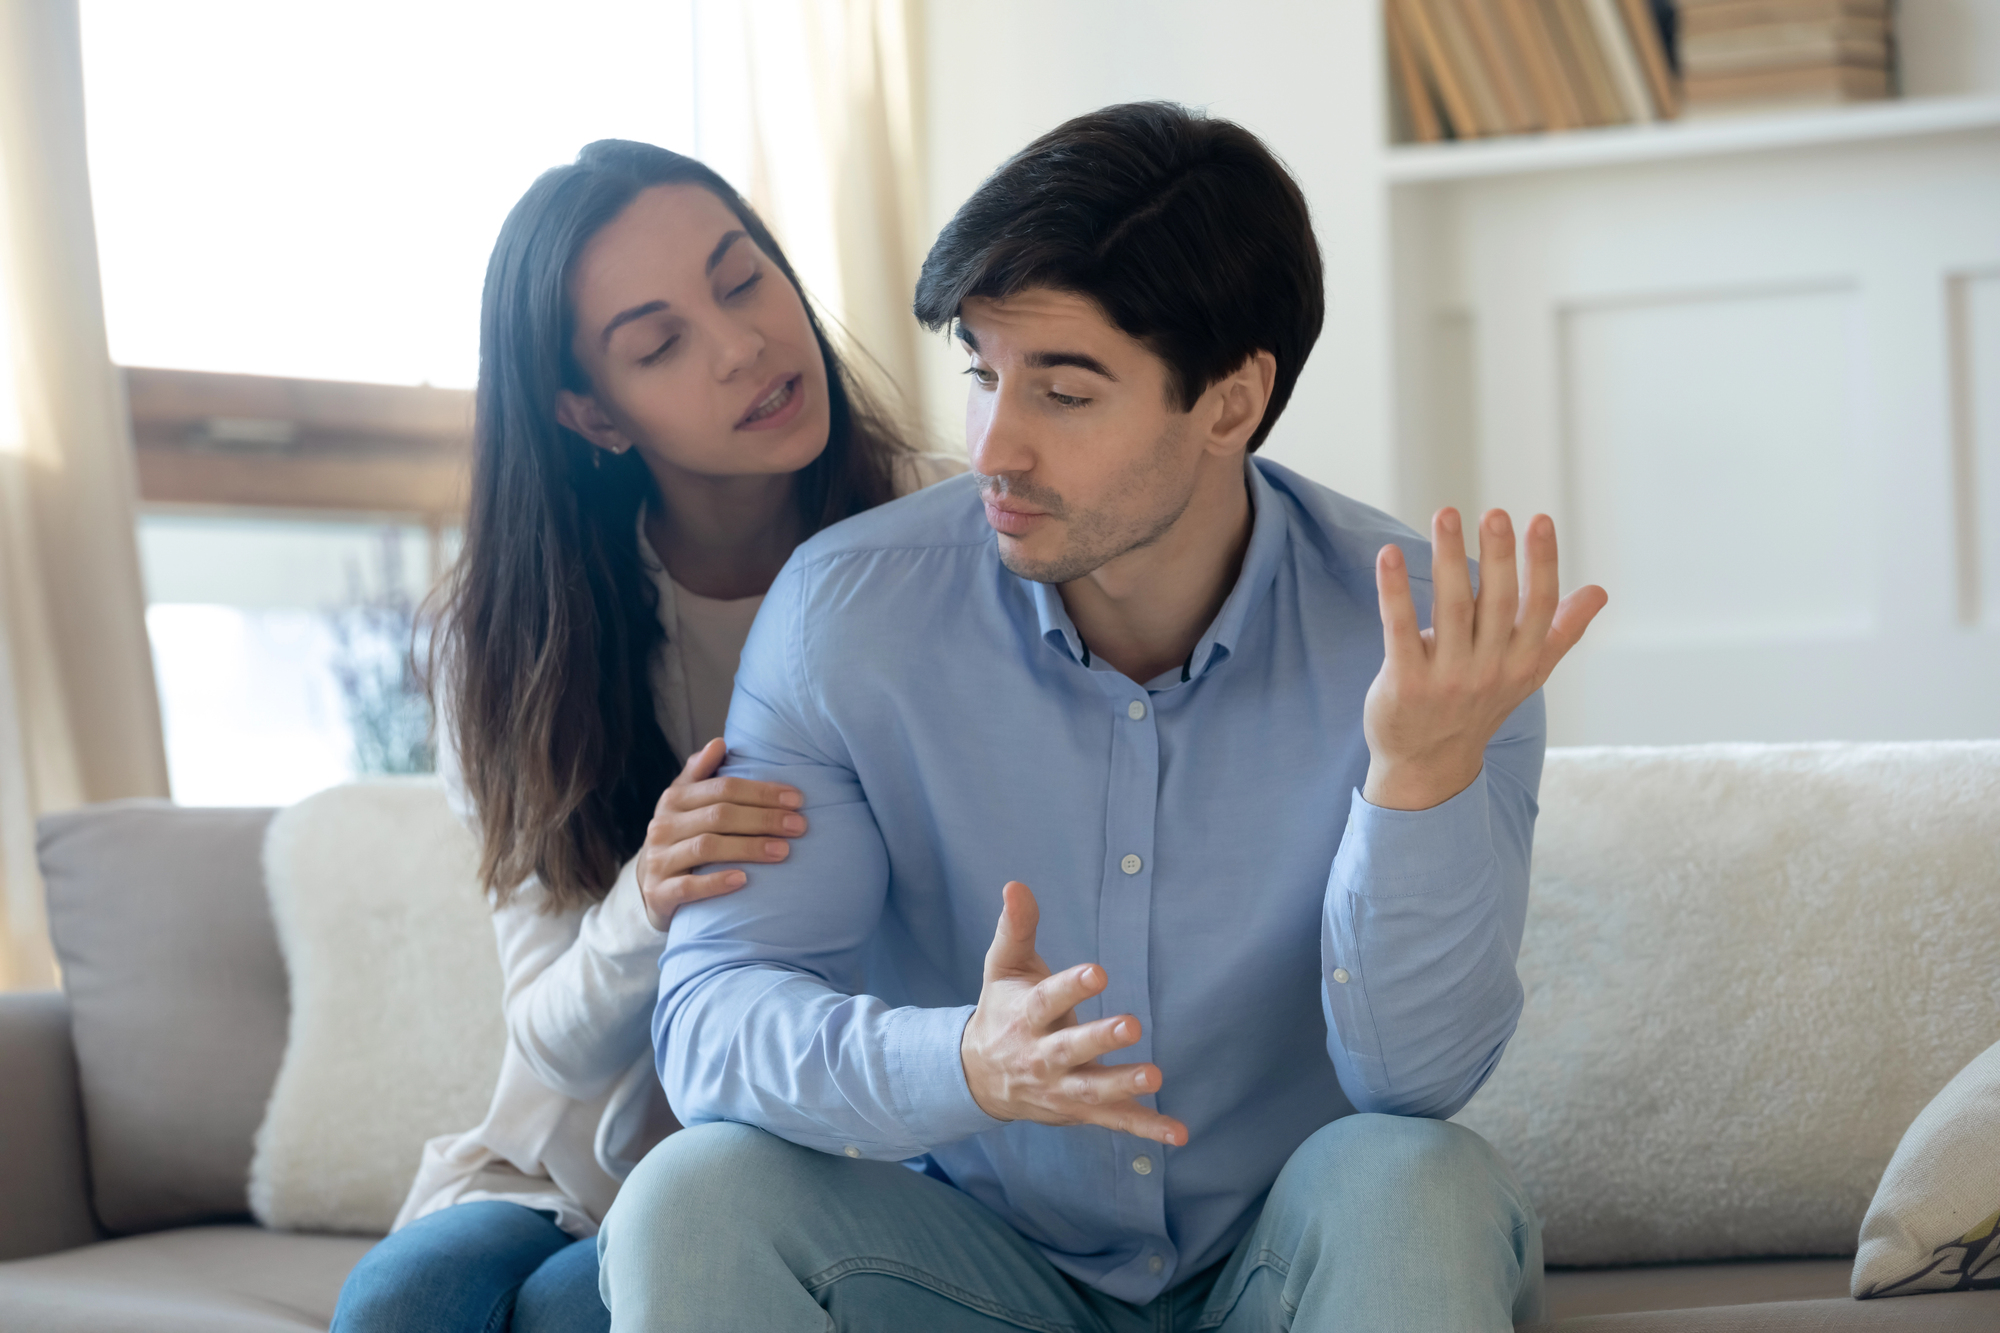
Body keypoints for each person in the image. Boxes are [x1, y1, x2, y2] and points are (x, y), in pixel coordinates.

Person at [598, 103, 1609, 1332]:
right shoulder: (847, 615)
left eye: (1063, 393)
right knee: (690, 1200)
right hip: (976, 1271)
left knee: (1416, 1179)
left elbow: (1416, 1080)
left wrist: (1415, 782)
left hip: (1281, 1271)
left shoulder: (1427, 649)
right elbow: (714, 1020)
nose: (992, 449)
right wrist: (965, 1060)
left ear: (1230, 403)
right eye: (981, 373)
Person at [329, 139, 960, 1333]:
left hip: (818, 1141)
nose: (742, 347)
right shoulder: (514, 637)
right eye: (658, 342)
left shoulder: (943, 540)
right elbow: (550, 1039)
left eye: (743, 281)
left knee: (577, 1312)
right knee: (401, 1301)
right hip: (571, 1147)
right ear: (588, 412)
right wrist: (650, 894)